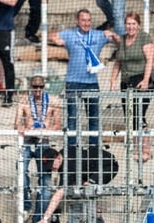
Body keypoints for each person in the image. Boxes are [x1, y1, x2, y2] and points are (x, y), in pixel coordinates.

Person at [48, 8, 120, 148]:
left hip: (92, 83)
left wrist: (113, 34)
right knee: (72, 117)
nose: (86, 23)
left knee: (94, 117)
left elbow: (119, 42)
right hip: (73, 82)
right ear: (77, 21)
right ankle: (72, 146)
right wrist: (55, 39)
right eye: (83, 20)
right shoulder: (70, 34)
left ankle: (94, 146)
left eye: (88, 20)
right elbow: (51, 35)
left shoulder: (98, 35)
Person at [108, 13, 154, 161]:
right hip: (126, 81)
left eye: (133, 24)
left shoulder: (144, 38)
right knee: (130, 116)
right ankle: (137, 147)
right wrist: (113, 79)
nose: (130, 27)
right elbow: (118, 61)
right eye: (128, 24)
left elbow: (150, 60)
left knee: (139, 114)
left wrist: (146, 80)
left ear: (138, 25)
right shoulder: (122, 40)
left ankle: (146, 148)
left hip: (141, 78)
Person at [15, 75, 62, 222]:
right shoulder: (23, 101)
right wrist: (23, 128)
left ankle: (38, 218)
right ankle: (26, 206)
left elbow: (58, 125)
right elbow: (16, 123)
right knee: (21, 173)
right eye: (34, 87)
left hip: (44, 142)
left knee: (46, 179)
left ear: (44, 87)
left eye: (40, 87)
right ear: (30, 87)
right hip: (28, 141)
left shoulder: (53, 101)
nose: (37, 90)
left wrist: (45, 131)